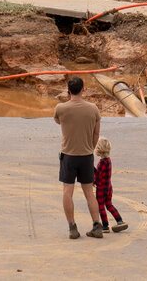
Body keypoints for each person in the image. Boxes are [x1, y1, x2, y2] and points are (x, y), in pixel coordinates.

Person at [53, 75, 104, 239]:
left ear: (68, 91)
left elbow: (58, 121)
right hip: (86, 155)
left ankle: (72, 227)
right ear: (83, 89)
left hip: (68, 155)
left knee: (68, 191)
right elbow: (96, 133)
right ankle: (97, 225)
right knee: (89, 192)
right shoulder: (93, 108)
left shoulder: (61, 108)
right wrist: (91, 147)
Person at [94, 138, 128, 232]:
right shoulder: (108, 160)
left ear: (98, 150)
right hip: (109, 187)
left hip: (101, 188)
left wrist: (92, 172)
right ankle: (119, 220)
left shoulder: (101, 163)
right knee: (109, 204)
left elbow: (97, 177)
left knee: (100, 206)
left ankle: (105, 226)